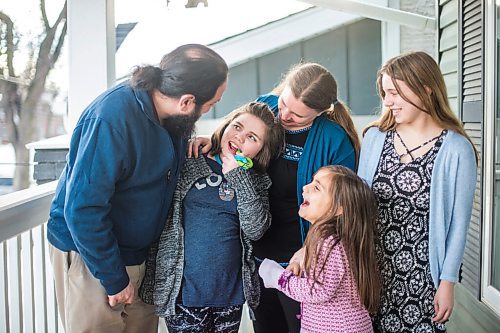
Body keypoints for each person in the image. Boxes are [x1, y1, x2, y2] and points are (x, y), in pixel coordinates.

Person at [46, 44, 228, 333]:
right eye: (212, 103)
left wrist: (212, 143)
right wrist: (113, 277)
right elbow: (82, 209)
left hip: (141, 255)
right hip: (94, 255)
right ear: (187, 101)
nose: (210, 109)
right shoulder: (111, 119)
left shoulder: (172, 118)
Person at [190, 62, 360, 333]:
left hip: (300, 261)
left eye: (298, 115)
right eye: (284, 104)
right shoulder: (266, 107)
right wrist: (213, 140)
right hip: (257, 256)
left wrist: (311, 248)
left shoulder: (334, 140)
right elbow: (238, 134)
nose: (284, 115)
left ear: (321, 112)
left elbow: (345, 207)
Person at [357, 51, 477, 332]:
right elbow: (357, 205)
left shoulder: (457, 150)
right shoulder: (375, 139)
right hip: (370, 276)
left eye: (395, 93)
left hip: (423, 281)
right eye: (385, 93)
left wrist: (447, 283)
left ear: (426, 89)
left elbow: (459, 225)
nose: (387, 102)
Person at [140, 102, 285, 333]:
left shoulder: (255, 181)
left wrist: (238, 177)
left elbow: (256, 228)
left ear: (261, 150)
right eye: (236, 127)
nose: (239, 138)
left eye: (252, 137)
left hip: (229, 297)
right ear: (226, 124)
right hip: (184, 294)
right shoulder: (191, 158)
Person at [258, 165, 380, 333]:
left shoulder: (329, 242)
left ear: (339, 208)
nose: (304, 187)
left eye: (316, 187)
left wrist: (278, 277)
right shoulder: (336, 238)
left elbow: (317, 290)